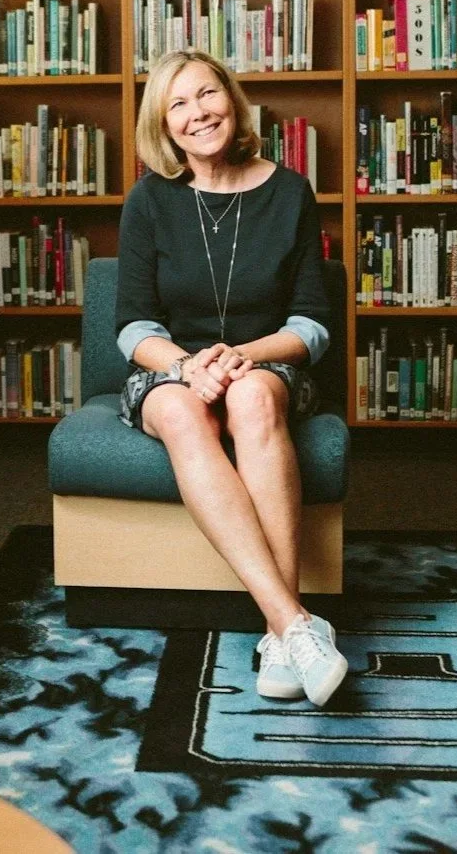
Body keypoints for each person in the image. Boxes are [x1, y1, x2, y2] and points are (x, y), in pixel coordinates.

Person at [115, 49, 347, 708]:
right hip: (169, 370)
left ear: (233, 100)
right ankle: (294, 623)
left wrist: (235, 357)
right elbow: (133, 328)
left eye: (206, 94)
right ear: (163, 125)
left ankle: (280, 634)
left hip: (262, 363)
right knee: (186, 412)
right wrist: (188, 367)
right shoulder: (149, 201)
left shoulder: (289, 190)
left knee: (249, 398)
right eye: (177, 105)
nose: (197, 114)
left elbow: (311, 324)